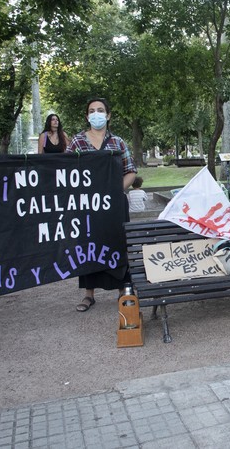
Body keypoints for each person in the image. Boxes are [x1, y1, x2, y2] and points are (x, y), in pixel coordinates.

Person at [66, 98, 137, 311]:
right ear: (87, 116)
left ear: (108, 115)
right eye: (91, 111)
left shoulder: (118, 142)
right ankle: (89, 294)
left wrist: (115, 193)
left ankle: (121, 291)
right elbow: (66, 172)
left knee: (118, 243)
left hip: (115, 205)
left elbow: (131, 171)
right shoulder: (77, 142)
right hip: (87, 205)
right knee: (89, 245)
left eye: (100, 110)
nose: (96, 114)